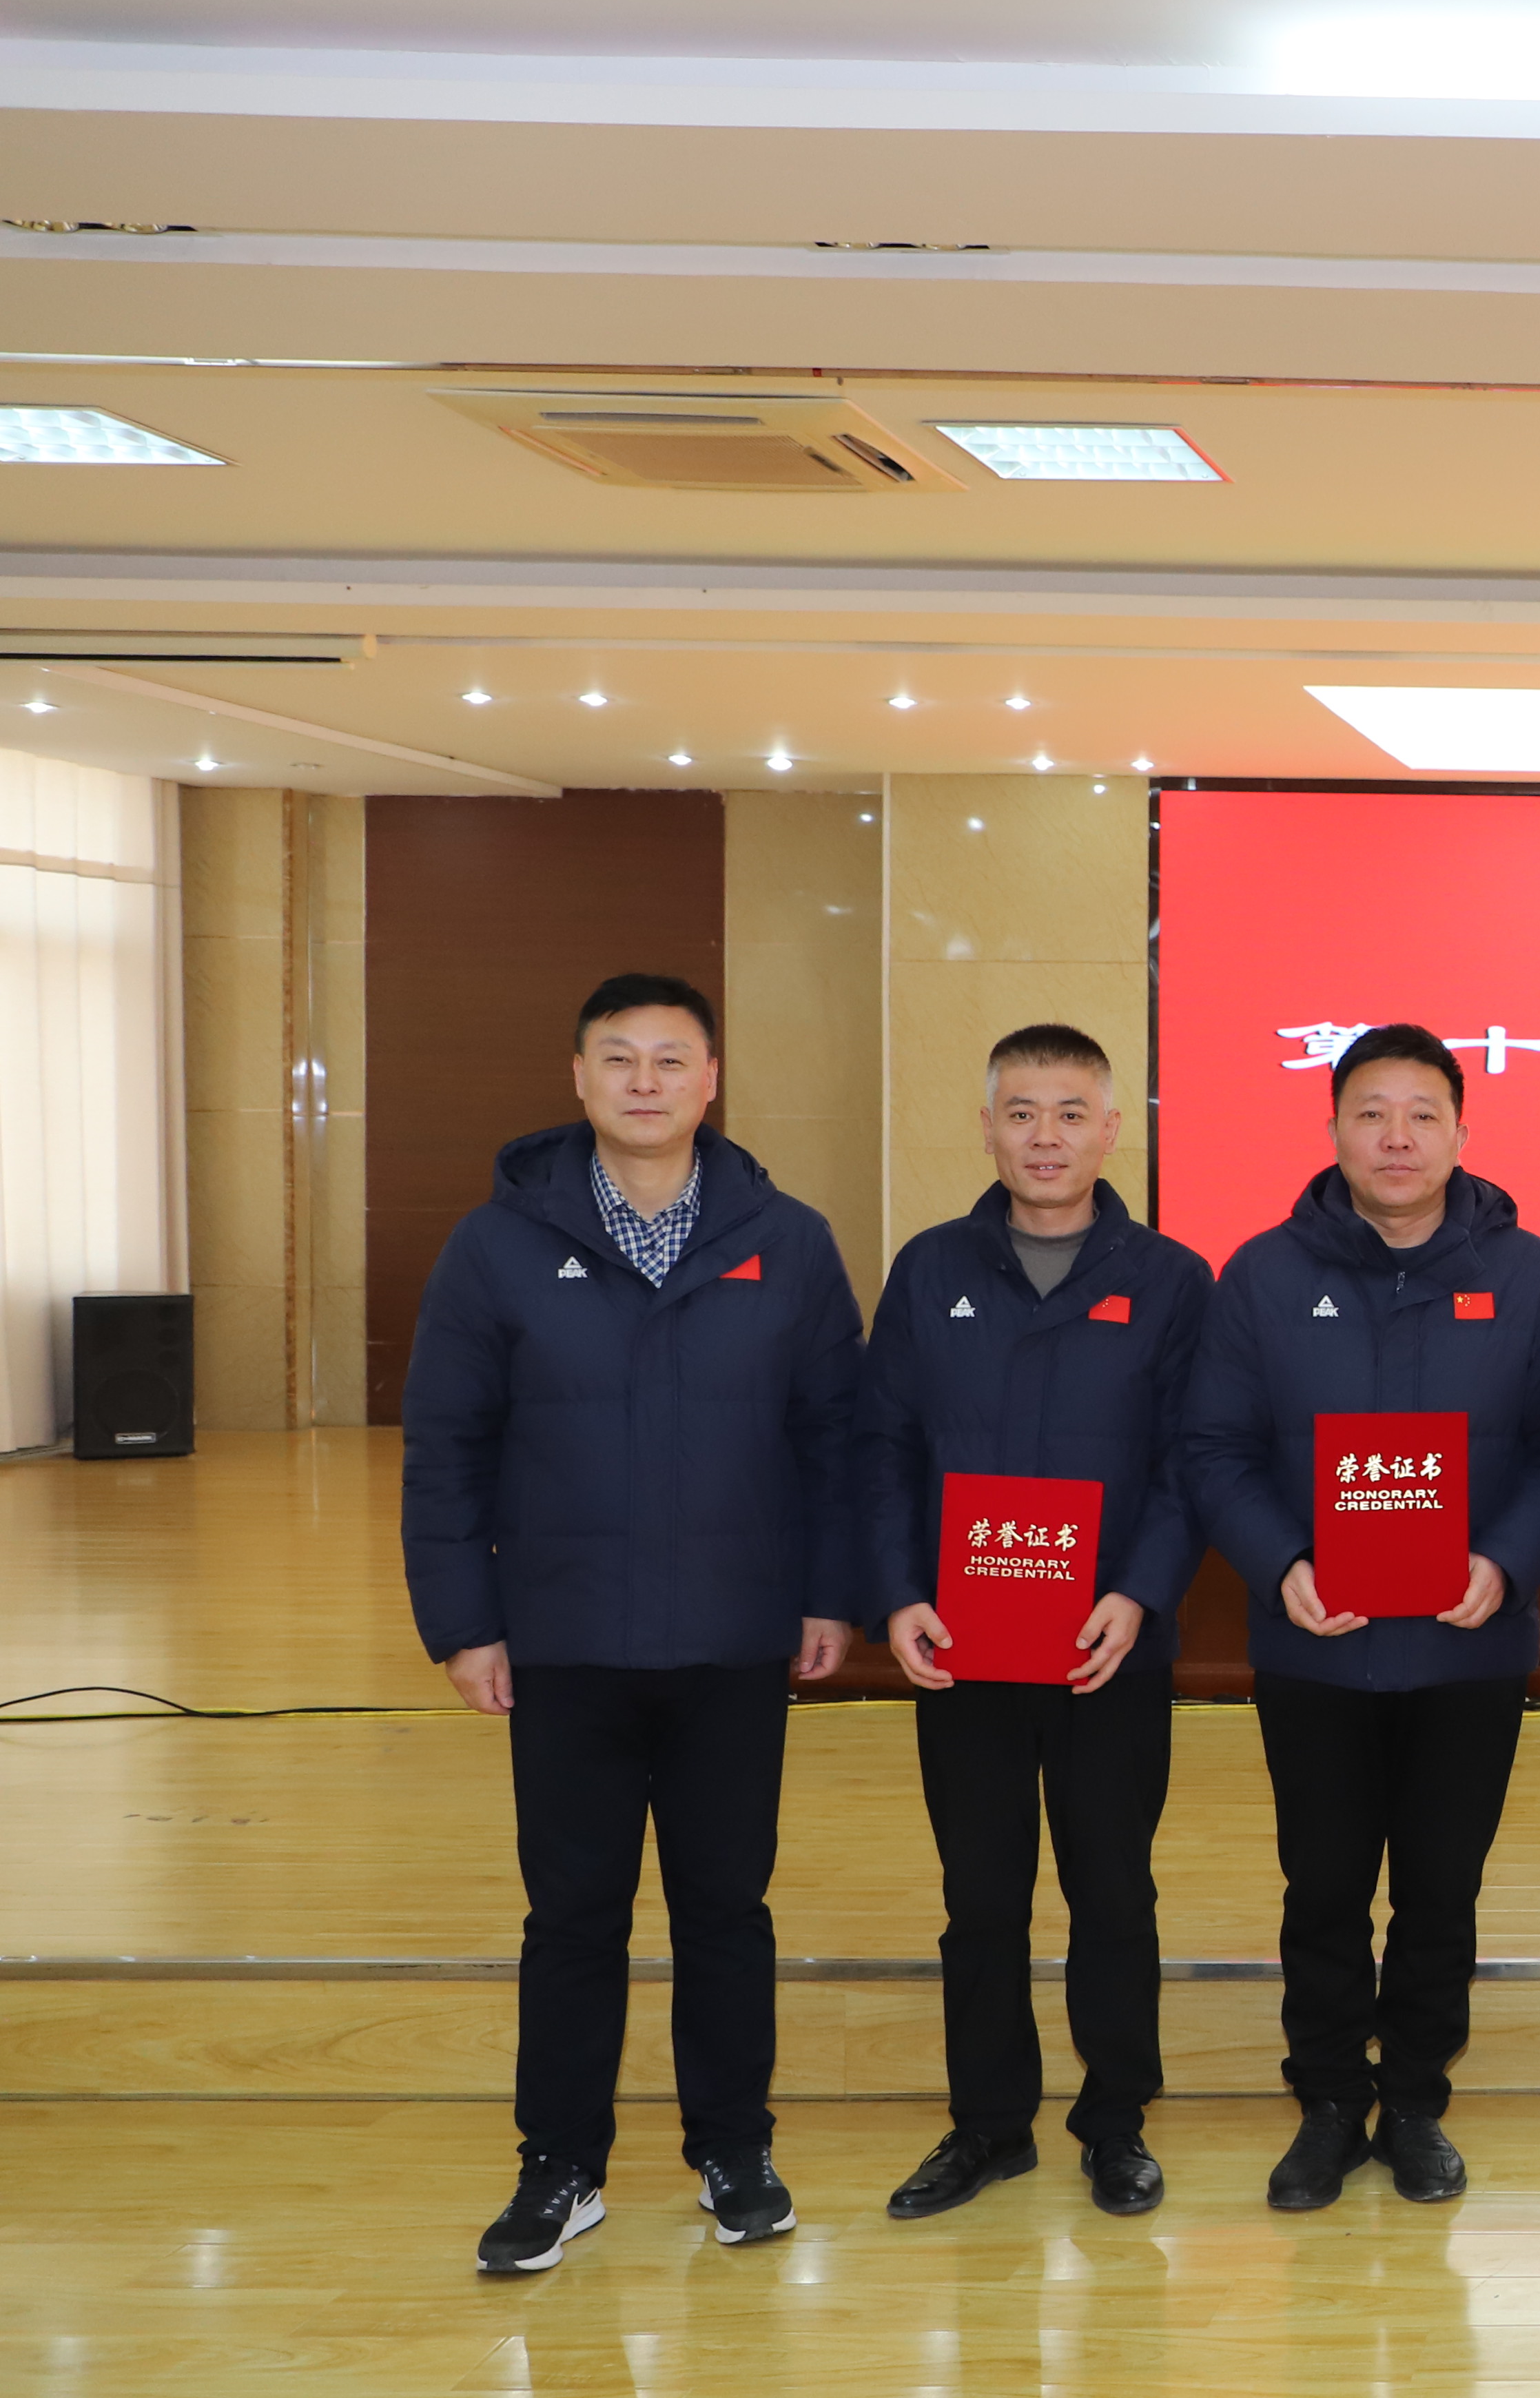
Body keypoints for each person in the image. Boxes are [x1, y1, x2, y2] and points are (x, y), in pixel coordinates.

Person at [401, 972, 861, 2275]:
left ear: (712, 1081)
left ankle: (735, 2151)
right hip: (564, 1640)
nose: (646, 1082)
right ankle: (560, 2166)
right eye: (620, 1058)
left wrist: (831, 1594)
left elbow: (836, 1439)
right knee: (572, 1916)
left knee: (726, 1909)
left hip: (734, 1639)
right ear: (579, 1077)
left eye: (672, 1059)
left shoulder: (789, 1240)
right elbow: (445, 1448)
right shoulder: (496, 1245)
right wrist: (464, 1622)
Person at [1178, 1026, 1540, 2211]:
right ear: (1332, 1131)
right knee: (1321, 1887)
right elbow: (1214, 1448)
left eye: (1422, 1115)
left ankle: (1414, 2100)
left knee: (1439, 1889)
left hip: (1469, 1644)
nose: (1396, 1138)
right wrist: (1280, 1564)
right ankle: (1325, 2102)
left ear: (1462, 1132)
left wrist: (1507, 1563)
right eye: (1371, 1114)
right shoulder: (1262, 1275)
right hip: (1314, 1643)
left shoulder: (1530, 1275)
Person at [858, 1023, 1213, 2223]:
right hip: (964, 1649)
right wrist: (898, 1593)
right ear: (987, 1128)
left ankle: (1116, 2122)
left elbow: (1190, 1461)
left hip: (1109, 1648)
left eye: (1069, 1113)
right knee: (981, 1895)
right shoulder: (930, 1271)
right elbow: (882, 1447)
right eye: (1021, 1113)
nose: (1045, 1137)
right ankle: (988, 2125)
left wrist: (1140, 1593)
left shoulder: (1171, 1280)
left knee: (1113, 1890)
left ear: (1112, 1131)